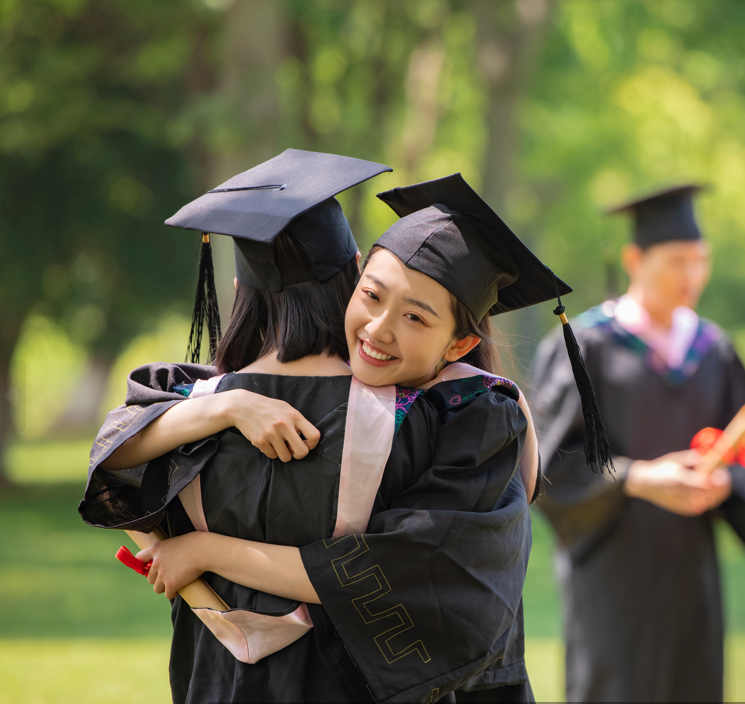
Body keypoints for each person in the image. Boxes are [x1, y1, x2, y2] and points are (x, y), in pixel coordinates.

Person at [81, 159, 600, 702]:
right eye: (372, 296)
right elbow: (436, 583)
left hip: (219, 682)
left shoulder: (188, 407)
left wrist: (206, 546)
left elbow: (113, 460)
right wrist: (230, 409)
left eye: (416, 317)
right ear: (354, 272)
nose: (379, 329)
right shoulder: (459, 420)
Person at [531, 184, 745, 702]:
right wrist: (640, 478)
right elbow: (549, 464)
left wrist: (728, 482)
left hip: (693, 578)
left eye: (701, 261)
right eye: (677, 262)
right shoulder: (586, 347)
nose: (692, 276)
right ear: (634, 259)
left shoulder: (713, 351)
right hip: (613, 577)